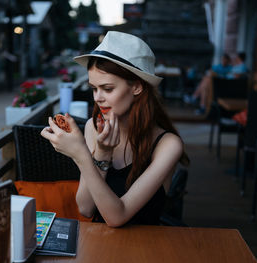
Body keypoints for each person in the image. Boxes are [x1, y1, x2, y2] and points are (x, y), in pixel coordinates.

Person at [41, 31, 189, 227]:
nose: (97, 98)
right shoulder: (93, 128)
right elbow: (85, 209)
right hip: (99, 246)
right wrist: (102, 153)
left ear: (136, 87)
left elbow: (117, 217)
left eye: (107, 89)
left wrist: (81, 155)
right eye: (94, 88)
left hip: (146, 249)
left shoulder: (168, 144)